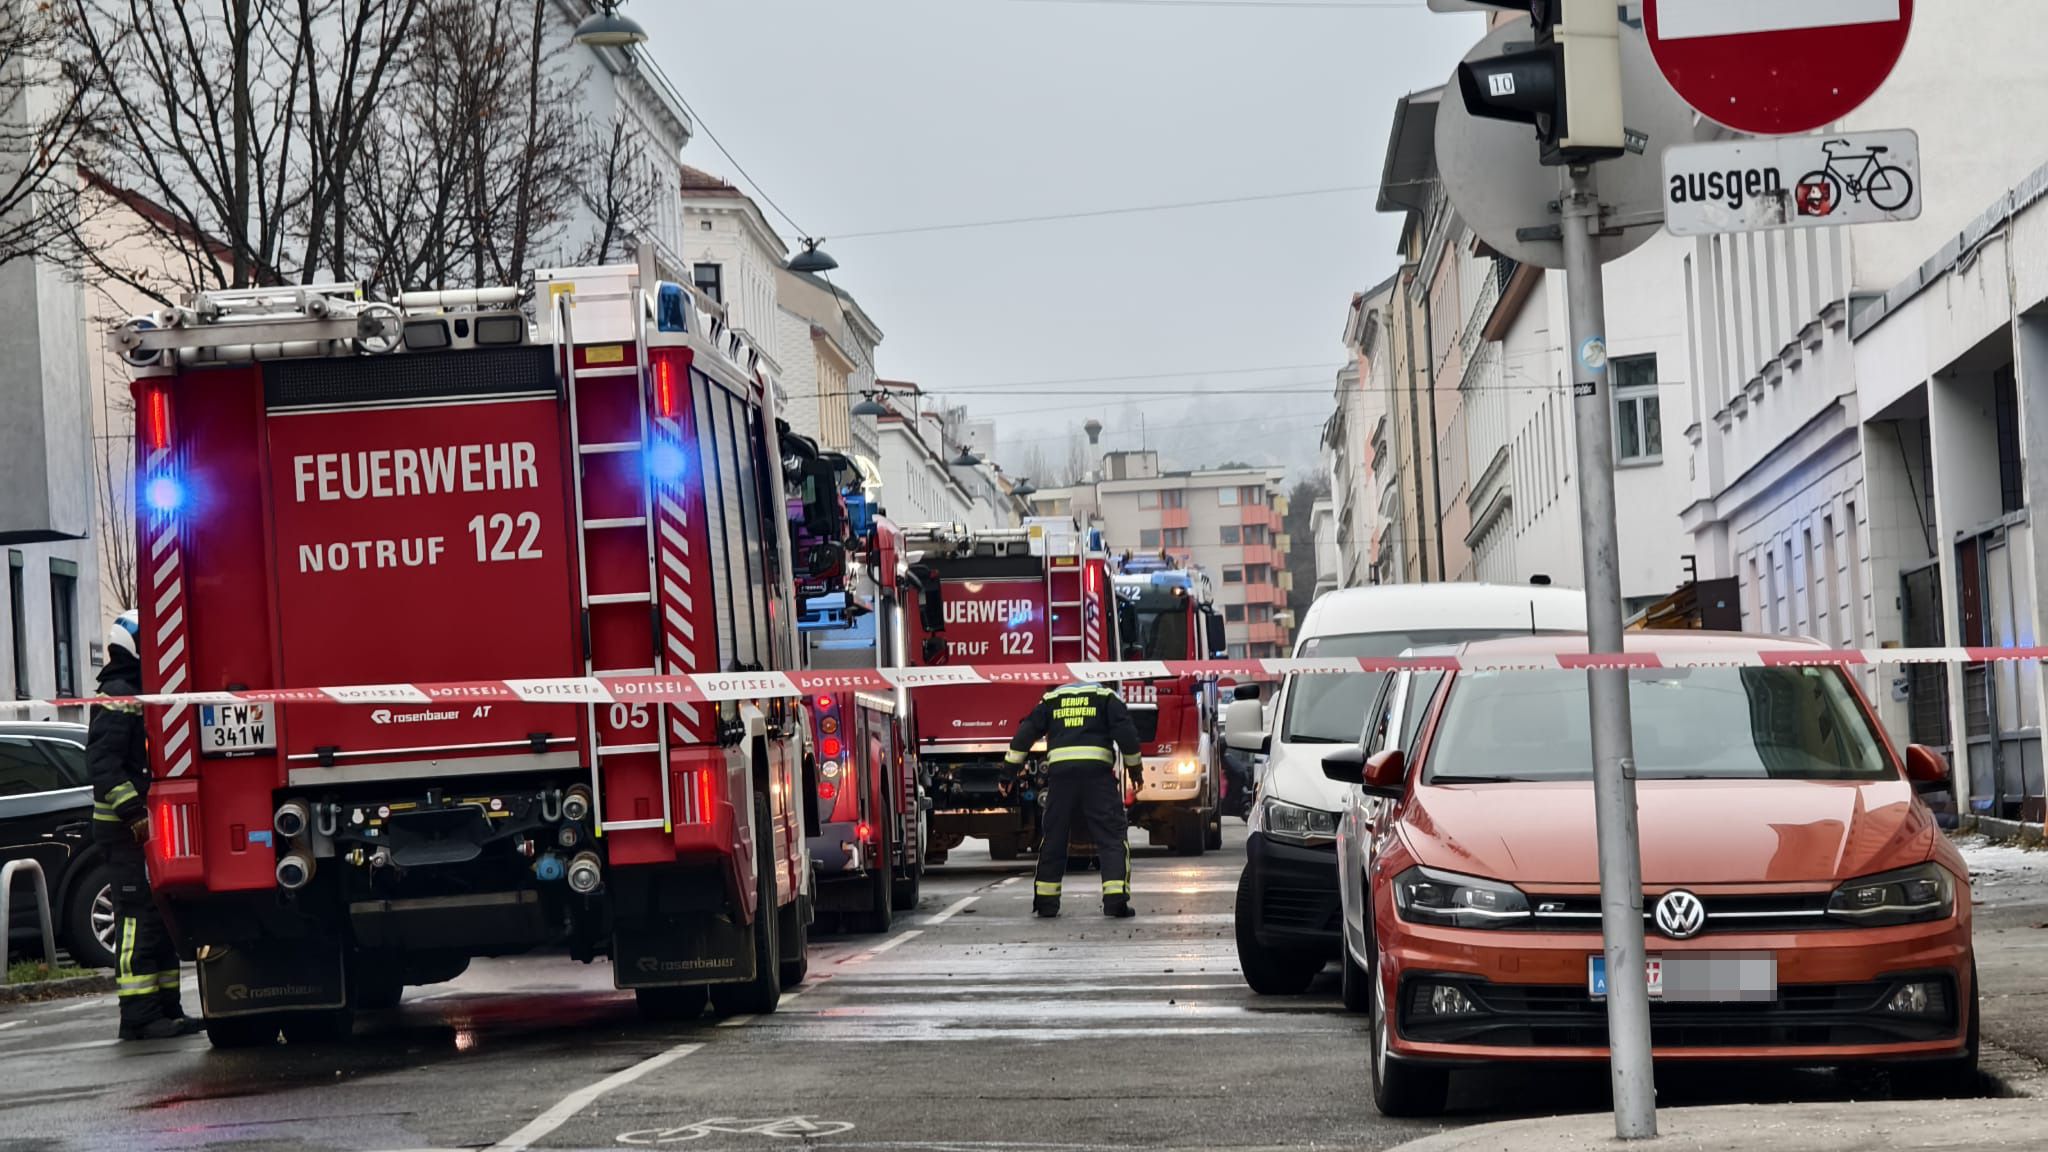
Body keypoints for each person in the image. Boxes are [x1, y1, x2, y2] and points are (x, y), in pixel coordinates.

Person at [88, 611, 199, 1040]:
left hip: (143, 828)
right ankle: (137, 1016)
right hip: (124, 831)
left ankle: (166, 1009)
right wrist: (133, 814)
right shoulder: (118, 694)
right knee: (135, 920)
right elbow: (102, 765)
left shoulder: (135, 691)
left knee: (157, 916)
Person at [1004, 681, 1142, 919]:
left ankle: (1046, 903)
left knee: (1054, 837)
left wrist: (1008, 772)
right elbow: (1126, 733)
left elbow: (1027, 731)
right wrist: (1135, 770)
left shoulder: (1052, 700)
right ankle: (1115, 900)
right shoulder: (1106, 696)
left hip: (1061, 778)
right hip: (1097, 776)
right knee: (1111, 837)